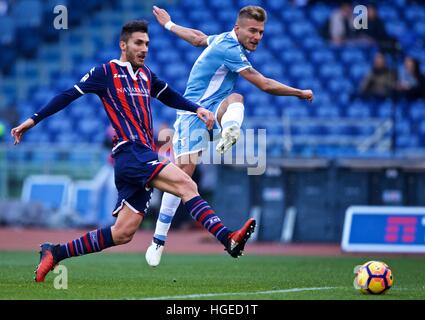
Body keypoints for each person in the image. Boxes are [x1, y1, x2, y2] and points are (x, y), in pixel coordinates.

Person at [11, 20, 256, 282]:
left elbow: (169, 95)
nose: (144, 49)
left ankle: (55, 252)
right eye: (138, 43)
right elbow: (68, 95)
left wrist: (196, 108)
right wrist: (32, 120)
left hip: (136, 158)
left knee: (122, 233)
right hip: (132, 153)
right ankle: (226, 238)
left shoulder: (146, 75)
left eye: (147, 44)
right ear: (123, 44)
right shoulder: (106, 72)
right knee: (187, 185)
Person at [146, 5, 313, 267]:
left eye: (261, 32)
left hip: (212, 111)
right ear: (238, 28)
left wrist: (169, 25)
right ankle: (158, 239)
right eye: (253, 30)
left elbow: (198, 38)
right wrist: (299, 92)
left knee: (236, 97)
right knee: (182, 176)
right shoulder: (231, 49)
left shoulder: (224, 39)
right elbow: (264, 83)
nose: (257, 36)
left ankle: (229, 131)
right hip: (192, 115)